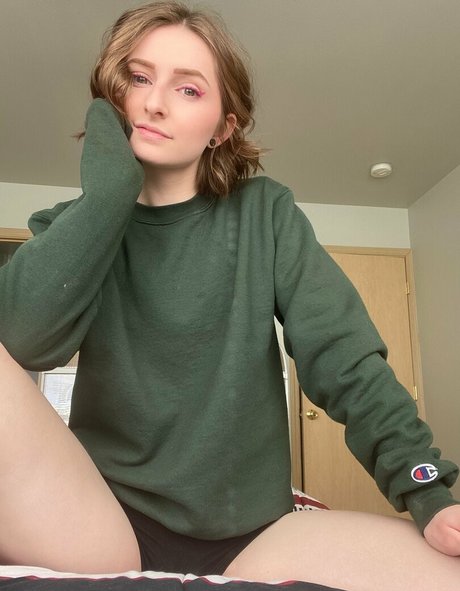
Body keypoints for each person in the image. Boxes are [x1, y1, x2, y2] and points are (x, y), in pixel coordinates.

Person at [0, 2, 459, 590]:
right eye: (138, 78)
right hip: (101, 522)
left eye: (188, 89)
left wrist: (426, 488)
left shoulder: (265, 212)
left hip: (252, 533)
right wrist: (108, 196)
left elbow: (345, 360)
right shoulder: (69, 223)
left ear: (222, 127)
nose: (154, 103)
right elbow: (23, 342)